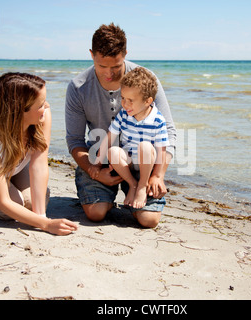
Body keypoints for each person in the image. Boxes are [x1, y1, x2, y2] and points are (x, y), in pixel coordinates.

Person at [65, 23, 176, 228]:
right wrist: (93, 170)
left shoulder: (146, 80)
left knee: (148, 220)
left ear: (125, 53)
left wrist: (158, 175)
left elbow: (168, 132)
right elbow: (74, 141)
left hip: (143, 161)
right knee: (96, 214)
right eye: (102, 66)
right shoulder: (78, 87)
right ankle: (109, 196)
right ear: (91, 55)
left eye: (116, 67)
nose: (109, 74)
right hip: (102, 158)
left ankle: (136, 191)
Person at [0, 72, 78, 236]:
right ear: (18, 111)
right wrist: (47, 225)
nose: (46, 106)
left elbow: (39, 165)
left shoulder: (42, 116)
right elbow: (3, 202)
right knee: (6, 207)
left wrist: (42, 217)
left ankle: (1, 189)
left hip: (14, 169)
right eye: (40, 104)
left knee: (33, 202)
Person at [91, 67, 169, 210]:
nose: (125, 104)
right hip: (129, 162)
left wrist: (158, 175)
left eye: (131, 100)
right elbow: (108, 139)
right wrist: (96, 163)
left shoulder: (158, 120)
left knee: (145, 146)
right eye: (123, 98)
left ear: (147, 101)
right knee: (113, 151)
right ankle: (132, 184)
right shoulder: (124, 115)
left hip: (146, 163)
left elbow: (162, 151)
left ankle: (142, 185)